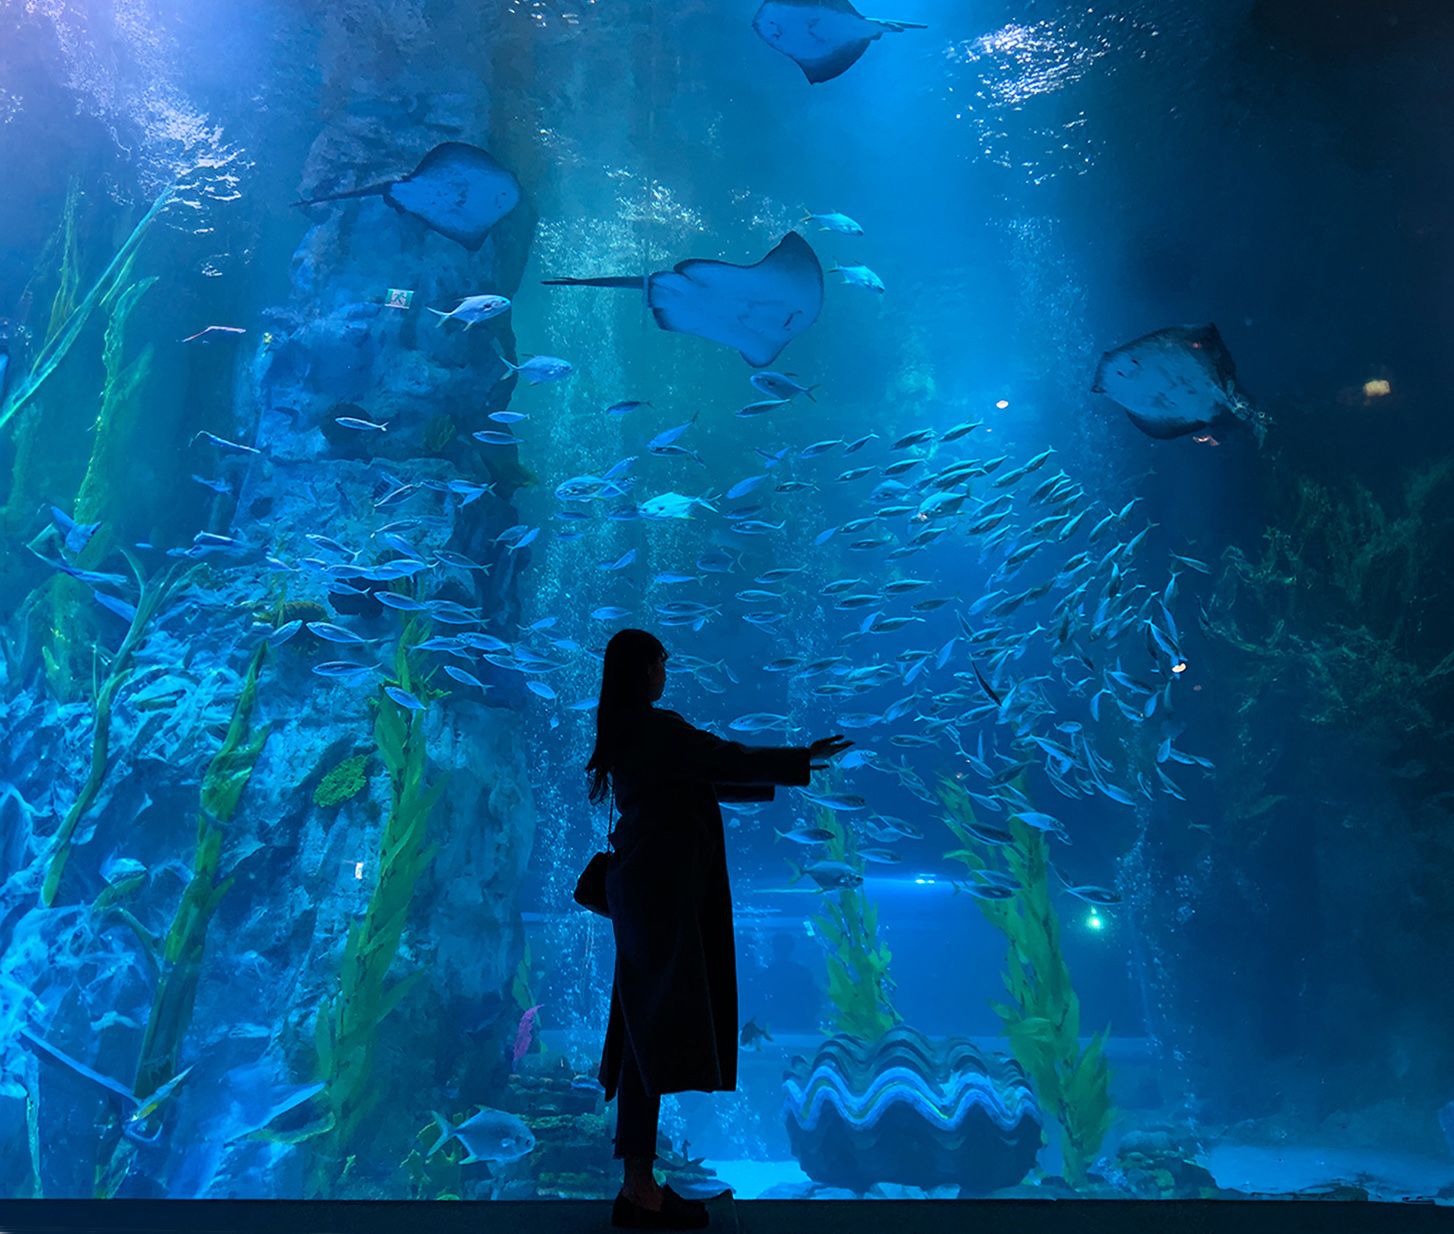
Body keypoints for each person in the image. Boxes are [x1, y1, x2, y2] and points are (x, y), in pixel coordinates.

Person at [585, 628, 853, 1230]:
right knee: (646, 1039)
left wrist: (788, 769)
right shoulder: (656, 728)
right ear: (642, 669)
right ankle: (639, 1189)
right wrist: (801, 758)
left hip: (641, 897)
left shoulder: (627, 729)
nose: (665, 671)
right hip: (658, 903)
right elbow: (721, 758)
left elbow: (706, 772)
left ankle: (638, 1183)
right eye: (660, 662)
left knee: (640, 1034)